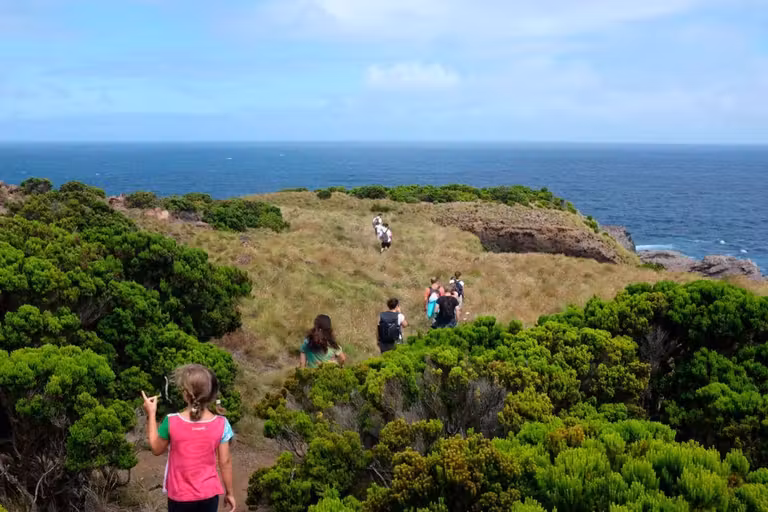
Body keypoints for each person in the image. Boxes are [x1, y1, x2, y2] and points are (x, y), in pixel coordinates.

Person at [141, 364, 236, 512]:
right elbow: (225, 462)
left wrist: (151, 413)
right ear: (211, 394)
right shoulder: (222, 424)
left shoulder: (171, 421)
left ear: (186, 395)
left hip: (180, 496)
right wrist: (229, 493)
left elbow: (155, 448)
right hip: (209, 495)